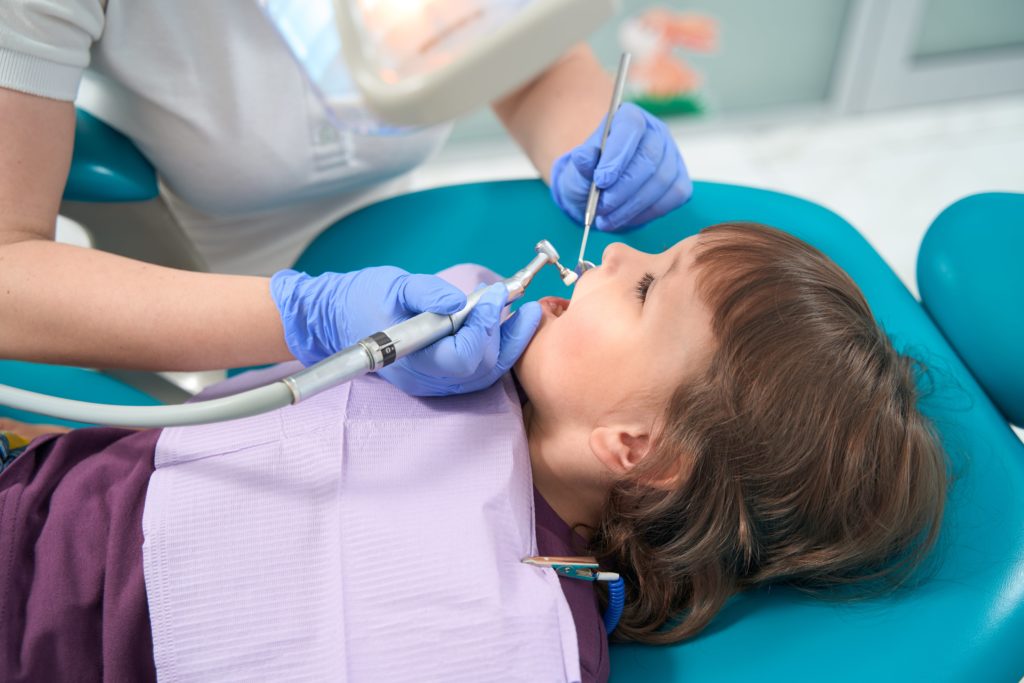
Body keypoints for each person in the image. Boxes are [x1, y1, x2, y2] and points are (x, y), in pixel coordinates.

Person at [0, 223, 948, 681]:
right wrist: (319, 313)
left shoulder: (520, 640)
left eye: (649, 289)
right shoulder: (444, 345)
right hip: (38, 488)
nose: (613, 251)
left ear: (639, 448)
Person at [0, 1, 692, 397]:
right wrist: (311, 316)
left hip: (397, 246)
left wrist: (584, 135)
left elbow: (518, 58)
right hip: (209, 292)